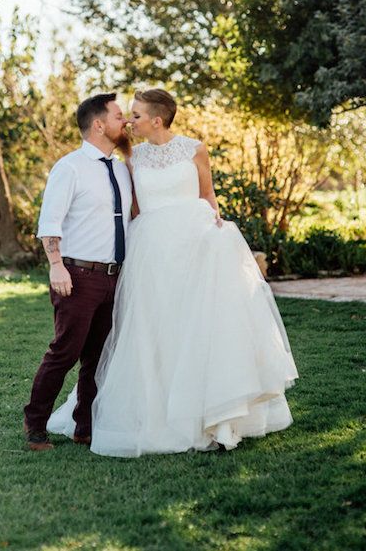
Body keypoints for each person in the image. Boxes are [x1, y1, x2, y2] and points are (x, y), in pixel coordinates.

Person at [48, 88, 298, 457]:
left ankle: (216, 416)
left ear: (157, 119)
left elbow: (207, 196)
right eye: (127, 114)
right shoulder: (132, 157)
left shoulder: (195, 148)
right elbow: (132, 208)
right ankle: (154, 411)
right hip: (151, 251)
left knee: (199, 327)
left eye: (135, 114)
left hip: (196, 246)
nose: (130, 120)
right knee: (154, 329)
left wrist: (216, 226)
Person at [23, 93, 133, 451]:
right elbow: (49, 223)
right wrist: (56, 267)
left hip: (115, 277)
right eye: (119, 116)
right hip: (77, 275)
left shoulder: (120, 167)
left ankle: (84, 426)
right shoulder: (69, 167)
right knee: (65, 352)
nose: (126, 122)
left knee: (98, 357)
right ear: (99, 124)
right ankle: (35, 425)